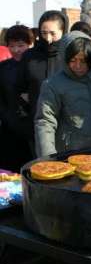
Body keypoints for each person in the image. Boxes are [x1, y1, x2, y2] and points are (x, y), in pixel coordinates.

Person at [34, 31, 91, 157]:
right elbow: (45, 122)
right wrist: (48, 157)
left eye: (83, 61)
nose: (78, 66)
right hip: (68, 154)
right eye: (73, 60)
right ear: (64, 58)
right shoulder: (52, 85)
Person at [16, 10, 68, 119]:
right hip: (35, 120)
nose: (48, 39)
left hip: (66, 122)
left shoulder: (71, 56)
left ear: (63, 31)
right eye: (44, 33)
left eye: (53, 34)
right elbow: (20, 88)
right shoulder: (29, 56)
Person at [0, 25, 35, 171]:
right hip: (10, 125)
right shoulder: (2, 68)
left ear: (30, 44)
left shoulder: (36, 64)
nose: (16, 50)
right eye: (12, 46)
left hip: (33, 124)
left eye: (21, 45)